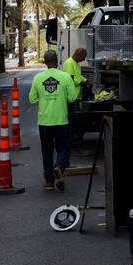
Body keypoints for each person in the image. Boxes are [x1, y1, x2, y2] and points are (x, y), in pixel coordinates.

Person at [29, 48, 77, 191]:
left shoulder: (38, 78)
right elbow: (72, 98)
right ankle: (59, 167)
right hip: (61, 120)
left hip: (44, 122)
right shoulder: (65, 77)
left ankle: (48, 182)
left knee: (46, 151)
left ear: (45, 62)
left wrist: (44, 100)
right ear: (56, 61)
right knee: (63, 148)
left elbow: (32, 99)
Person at [63, 47, 87, 149]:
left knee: (76, 123)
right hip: (72, 98)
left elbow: (78, 76)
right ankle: (75, 147)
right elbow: (70, 80)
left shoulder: (75, 63)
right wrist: (81, 82)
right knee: (75, 123)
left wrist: (85, 80)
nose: (84, 60)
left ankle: (75, 145)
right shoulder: (69, 63)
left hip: (76, 97)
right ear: (79, 55)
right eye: (83, 58)